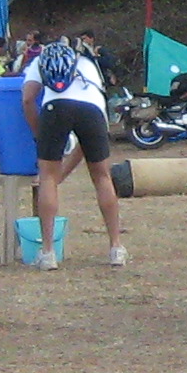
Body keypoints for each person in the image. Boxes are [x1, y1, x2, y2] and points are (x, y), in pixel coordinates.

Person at [25, 28, 123, 268]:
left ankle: (48, 252)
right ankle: (116, 248)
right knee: (102, 177)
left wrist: (39, 133)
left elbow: (27, 99)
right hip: (92, 111)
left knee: (46, 178)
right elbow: (83, 146)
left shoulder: (39, 60)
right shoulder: (88, 64)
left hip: (54, 109)